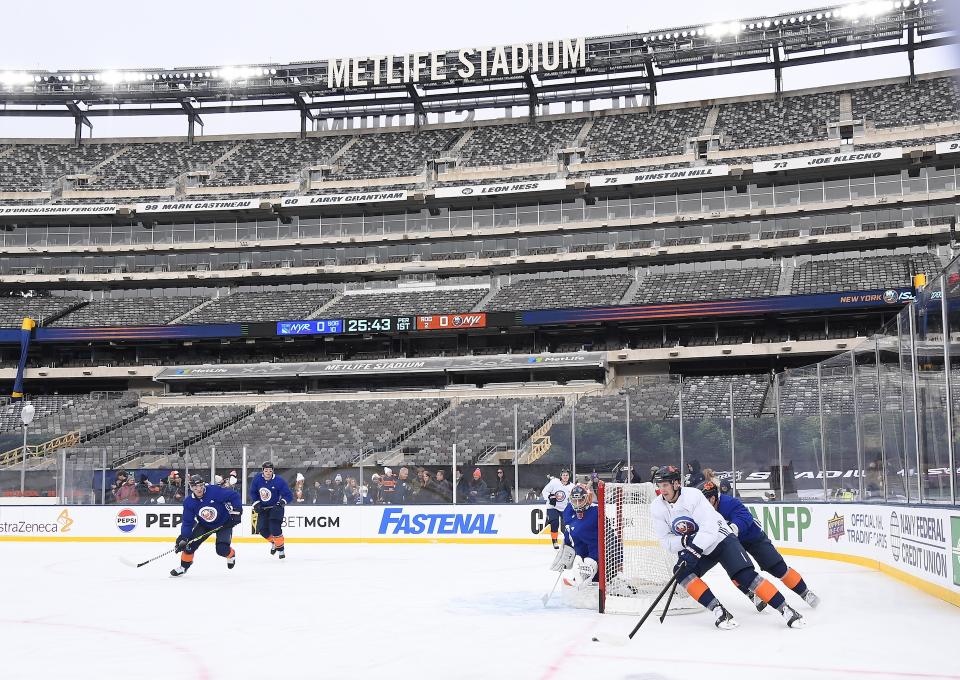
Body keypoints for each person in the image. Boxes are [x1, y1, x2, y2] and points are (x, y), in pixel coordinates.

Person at [651, 465, 804, 629]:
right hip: (699, 545)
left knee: (745, 576)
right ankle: (719, 611)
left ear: (676, 484)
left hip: (721, 538)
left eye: (665, 485)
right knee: (682, 573)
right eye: (659, 486)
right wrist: (686, 543)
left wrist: (693, 548)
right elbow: (666, 541)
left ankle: (786, 609)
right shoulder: (657, 507)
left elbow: (709, 529)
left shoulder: (693, 496)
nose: (662, 490)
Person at [701, 481, 820, 610]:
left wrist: (732, 529)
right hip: (731, 543)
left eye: (706, 500)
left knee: (777, 567)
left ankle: (805, 593)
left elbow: (745, 517)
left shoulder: (729, 503)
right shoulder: (704, 511)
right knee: (737, 571)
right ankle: (752, 595)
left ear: (713, 498)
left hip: (752, 537)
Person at [170, 474, 242, 577]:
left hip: (224, 523)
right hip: (205, 525)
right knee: (189, 546)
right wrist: (184, 537)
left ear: (204, 485)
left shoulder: (214, 491)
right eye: (195, 486)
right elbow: (188, 522)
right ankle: (183, 567)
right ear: (191, 487)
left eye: (200, 485)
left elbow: (233, 496)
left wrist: (238, 510)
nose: (198, 489)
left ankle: (231, 555)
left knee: (222, 549)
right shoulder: (189, 502)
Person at [550, 485, 598, 587]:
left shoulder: (596, 512)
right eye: (574, 500)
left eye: (580, 500)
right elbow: (569, 529)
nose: (577, 504)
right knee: (578, 562)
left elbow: (611, 537)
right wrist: (567, 546)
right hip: (582, 552)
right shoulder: (568, 510)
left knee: (590, 565)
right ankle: (580, 581)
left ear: (588, 498)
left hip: (598, 555)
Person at [250, 461, 293, 560]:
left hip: (276, 508)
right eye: (266, 471)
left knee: (275, 528)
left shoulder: (279, 480)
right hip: (263, 508)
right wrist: (256, 503)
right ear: (263, 471)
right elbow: (253, 492)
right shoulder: (257, 479)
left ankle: (281, 549)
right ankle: (274, 542)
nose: (268, 473)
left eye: (270, 471)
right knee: (262, 530)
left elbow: (288, 495)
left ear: (273, 471)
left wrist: (282, 502)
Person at [541, 469, 574, 549]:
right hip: (552, 506)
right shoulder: (554, 482)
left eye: (567, 475)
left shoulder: (572, 486)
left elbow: (573, 498)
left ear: (569, 476)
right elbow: (544, 491)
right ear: (561, 476)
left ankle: (568, 540)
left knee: (567, 525)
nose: (565, 477)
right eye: (563, 475)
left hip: (564, 508)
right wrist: (549, 497)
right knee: (554, 523)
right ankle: (554, 540)